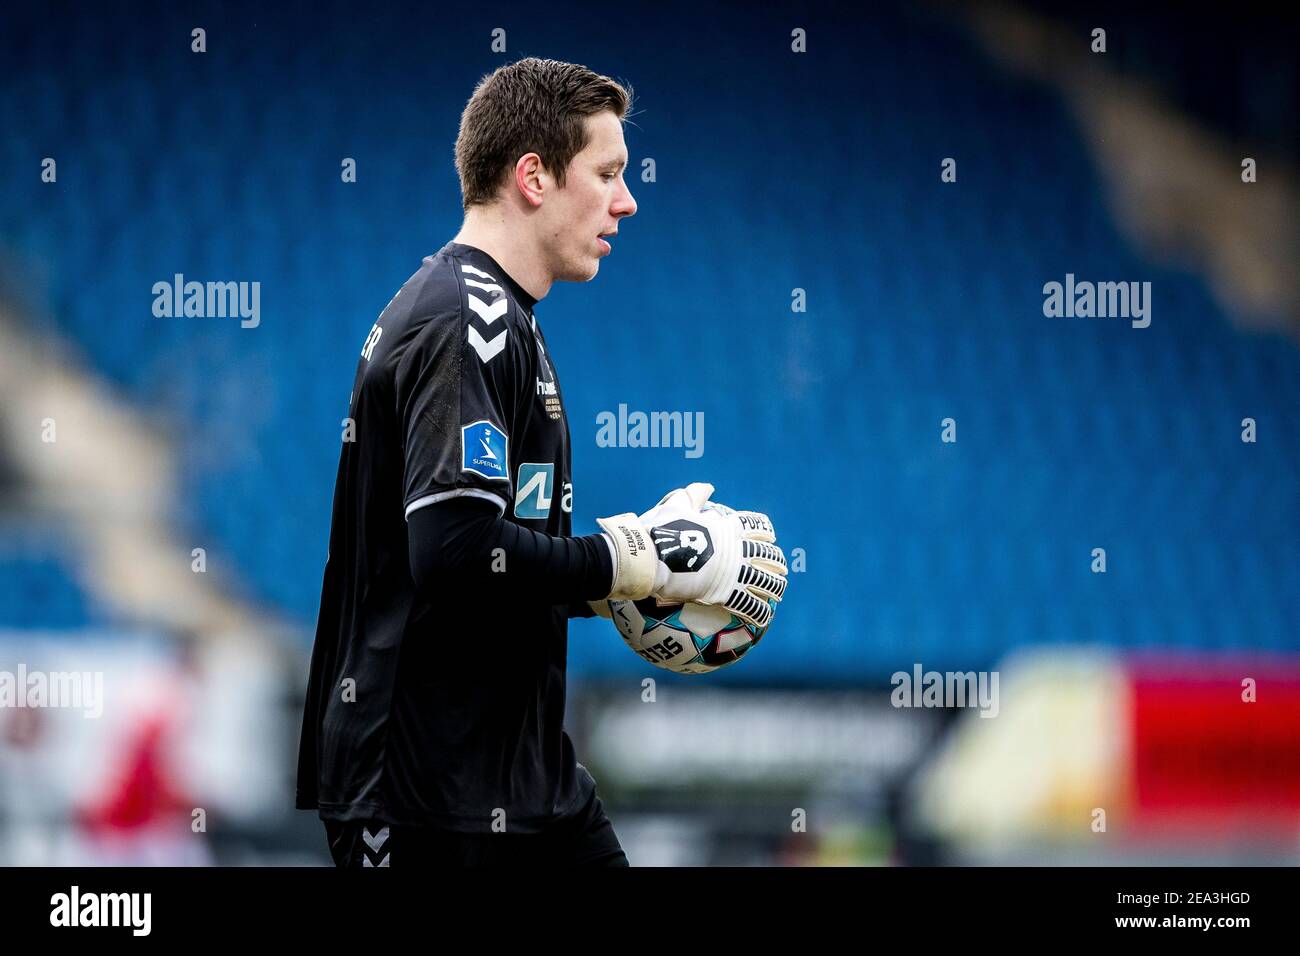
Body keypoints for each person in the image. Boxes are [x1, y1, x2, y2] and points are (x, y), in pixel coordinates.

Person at [295, 57, 787, 867]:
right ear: (533, 176)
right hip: (427, 800)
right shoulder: (464, 319)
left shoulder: (503, 318)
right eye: (608, 173)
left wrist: (641, 580)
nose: (626, 201)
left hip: (526, 784)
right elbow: (454, 549)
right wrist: (621, 562)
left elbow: (488, 568)